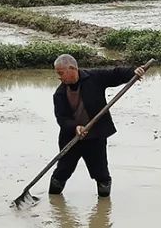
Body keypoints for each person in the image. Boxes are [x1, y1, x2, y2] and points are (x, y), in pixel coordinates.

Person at [50, 54, 146, 197]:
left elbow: (115, 74)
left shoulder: (94, 77)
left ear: (72, 68)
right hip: (71, 137)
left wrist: (133, 72)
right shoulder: (60, 93)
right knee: (62, 171)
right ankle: (53, 199)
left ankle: (104, 206)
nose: (59, 77)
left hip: (95, 136)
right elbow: (62, 118)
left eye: (61, 73)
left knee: (101, 174)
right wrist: (75, 127)